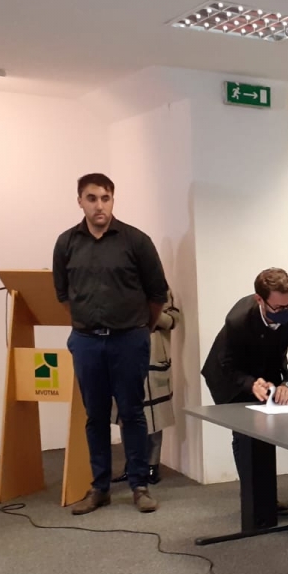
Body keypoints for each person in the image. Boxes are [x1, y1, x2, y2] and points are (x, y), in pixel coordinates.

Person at [52, 173, 168, 515]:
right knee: (96, 416)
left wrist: (139, 328)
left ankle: (139, 485)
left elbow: (157, 293)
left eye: (105, 198)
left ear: (113, 200)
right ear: (80, 201)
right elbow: (63, 293)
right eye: (92, 198)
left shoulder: (136, 240)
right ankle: (99, 487)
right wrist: (88, 323)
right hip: (87, 342)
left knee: (132, 413)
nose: (99, 205)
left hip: (129, 340)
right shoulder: (66, 242)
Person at [201, 268, 288, 482]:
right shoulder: (238, 319)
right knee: (245, 433)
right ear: (259, 299)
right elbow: (227, 362)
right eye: (279, 307)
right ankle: (254, 498)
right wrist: (250, 384)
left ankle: (266, 494)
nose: (286, 311)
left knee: (268, 429)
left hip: (269, 364)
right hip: (231, 375)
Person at [112, 289, 180, 485]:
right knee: (126, 414)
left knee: (154, 416)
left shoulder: (160, 289)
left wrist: (148, 311)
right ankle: (131, 465)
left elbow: (173, 320)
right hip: (124, 357)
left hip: (152, 359)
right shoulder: (119, 287)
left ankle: (152, 465)